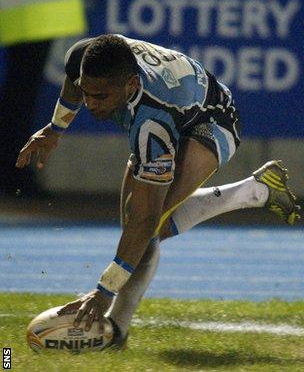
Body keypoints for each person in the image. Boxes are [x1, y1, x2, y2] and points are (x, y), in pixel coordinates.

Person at [16, 34, 300, 348]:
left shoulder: (153, 122)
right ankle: (256, 190)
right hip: (179, 101)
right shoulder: (85, 56)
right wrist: (55, 130)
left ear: (131, 85)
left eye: (100, 95)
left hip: (211, 121)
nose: (91, 103)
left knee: (149, 227)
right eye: (87, 92)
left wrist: (103, 290)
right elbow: (73, 79)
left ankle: (117, 330)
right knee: (136, 225)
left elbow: (145, 219)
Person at [0, 0, 93, 196]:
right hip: (32, 15)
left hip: (31, 14)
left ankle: (13, 172)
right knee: (20, 99)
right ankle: (13, 174)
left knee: (20, 97)